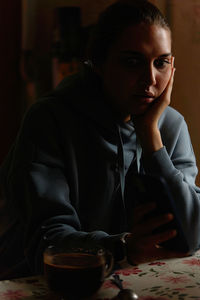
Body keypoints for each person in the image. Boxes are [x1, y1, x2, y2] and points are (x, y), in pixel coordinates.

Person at [0, 0, 200, 280]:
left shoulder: (168, 125)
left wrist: (151, 138)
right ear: (98, 63)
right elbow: (47, 245)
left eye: (161, 62)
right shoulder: (50, 119)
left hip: (126, 282)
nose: (150, 79)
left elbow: (192, 237)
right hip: (34, 283)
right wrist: (122, 247)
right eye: (132, 62)